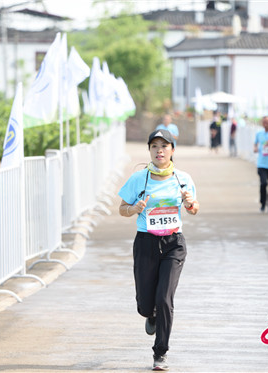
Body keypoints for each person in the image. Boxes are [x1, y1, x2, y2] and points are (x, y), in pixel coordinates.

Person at [118, 129, 199, 371]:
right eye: (154, 146)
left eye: (164, 146)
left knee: (165, 298)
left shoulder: (182, 178)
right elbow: (122, 208)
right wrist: (134, 208)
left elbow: (194, 208)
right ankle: (150, 313)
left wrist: (189, 203)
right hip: (146, 243)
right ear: (149, 151)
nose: (159, 150)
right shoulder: (139, 179)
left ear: (172, 150)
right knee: (145, 304)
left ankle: (160, 352)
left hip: (173, 244)